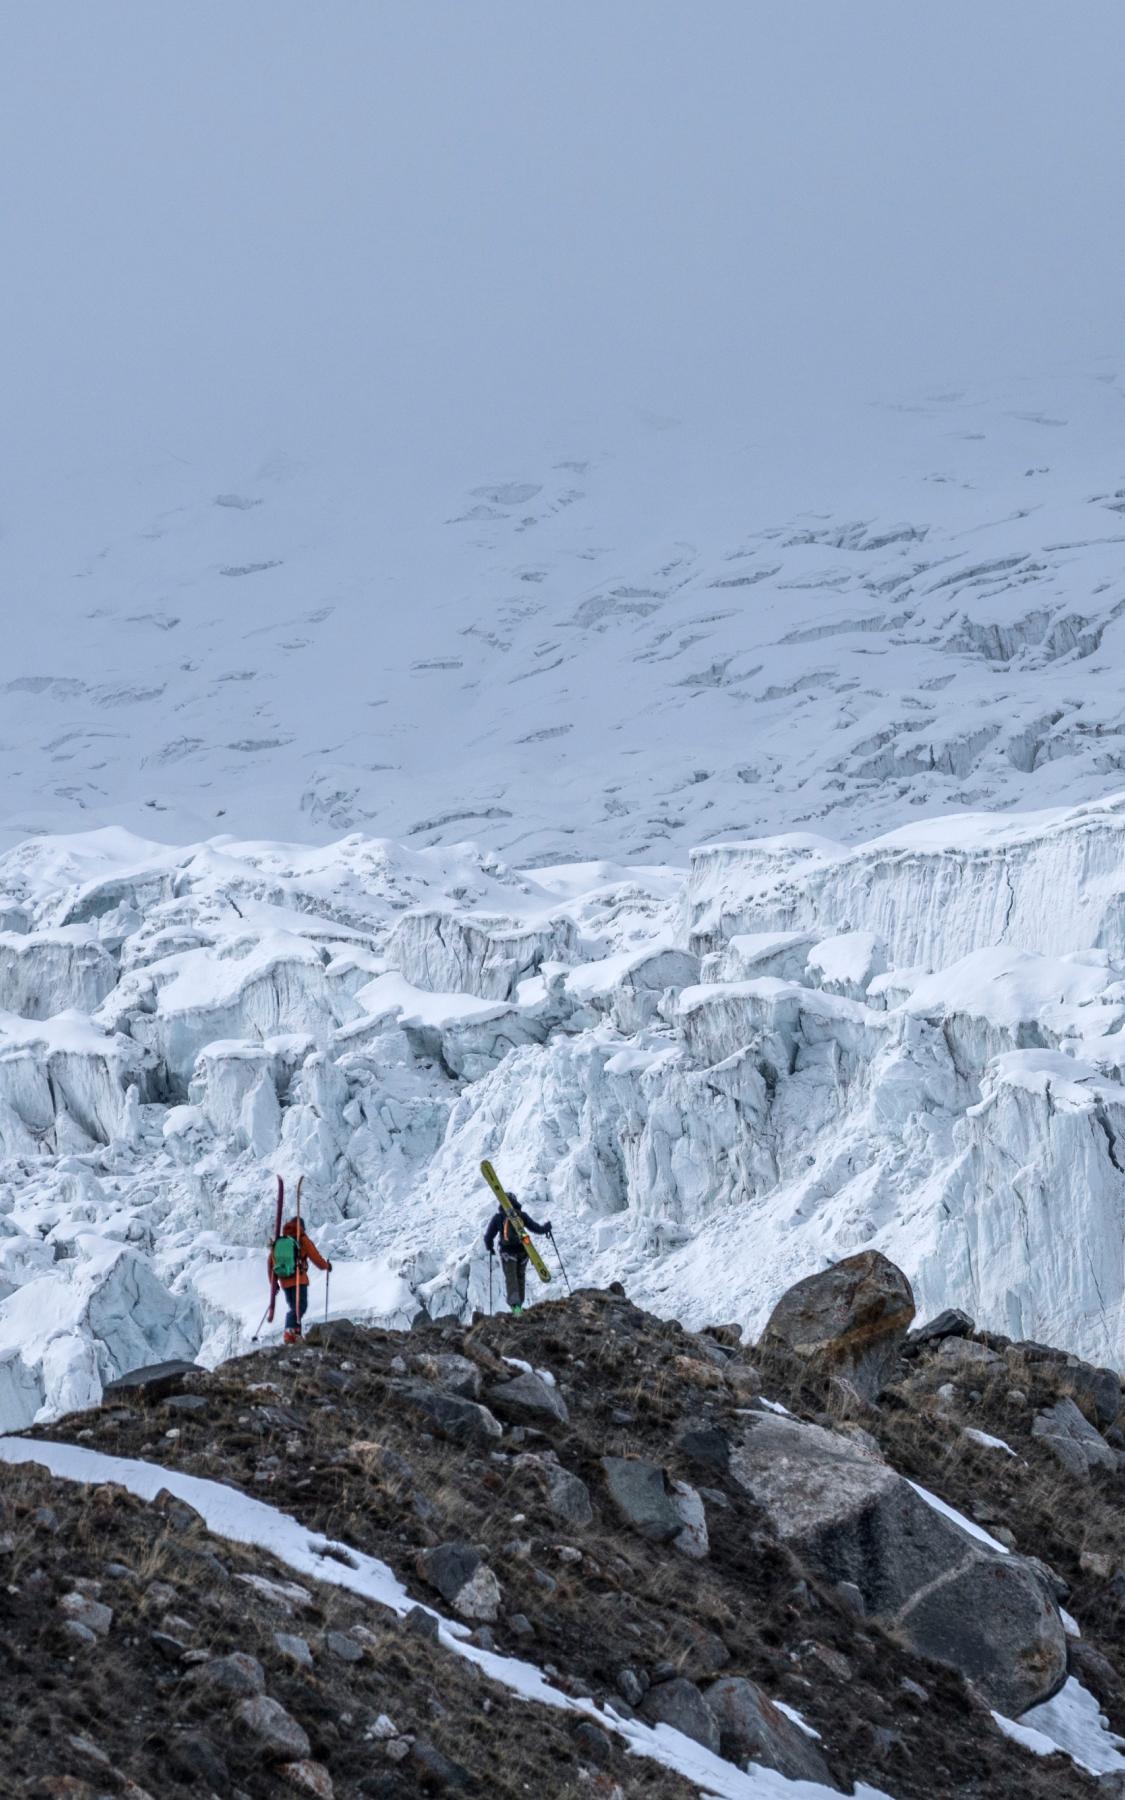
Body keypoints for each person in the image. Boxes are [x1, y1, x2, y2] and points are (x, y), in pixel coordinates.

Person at [484, 1192, 551, 1315]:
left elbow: (488, 1237)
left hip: (507, 1254)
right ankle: (519, 1305)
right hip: (523, 1252)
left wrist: (490, 1247)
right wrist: (546, 1228)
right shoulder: (522, 1215)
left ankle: (516, 1308)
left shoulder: (498, 1218)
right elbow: (535, 1228)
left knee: (511, 1279)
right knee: (520, 1277)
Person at [269, 1216, 331, 1344]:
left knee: (295, 1307)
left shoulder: (280, 1241)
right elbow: (315, 1257)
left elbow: (271, 1263)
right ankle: (290, 1332)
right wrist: (326, 1266)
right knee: (300, 1307)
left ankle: (296, 1334)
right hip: (299, 1279)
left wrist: (273, 1283)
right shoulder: (302, 1239)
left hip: (285, 1280)